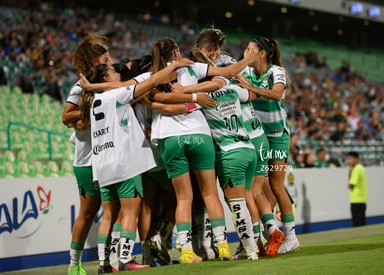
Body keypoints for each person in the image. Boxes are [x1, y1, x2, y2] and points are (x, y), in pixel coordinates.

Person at [148, 37, 258, 263]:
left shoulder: (152, 75)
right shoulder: (192, 66)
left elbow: (157, 100)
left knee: (183, 198)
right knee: (210, 194)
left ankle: (187, 251)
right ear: (177, 51)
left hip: (169, 138)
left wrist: (171, 102)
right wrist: (247, 60)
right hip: (199, 134)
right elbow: (223, 76)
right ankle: (223, 246)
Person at [79, 58, 194, 272]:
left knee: (109, 216)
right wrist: (171, 67)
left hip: (102, 165)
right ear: (106, 78)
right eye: (113, 72)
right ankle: (124, 260)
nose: (117, 74)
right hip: (123, 164)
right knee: (130, 212)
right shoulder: (117, 94)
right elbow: (148, 84)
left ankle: (106, 263)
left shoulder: (95, 101)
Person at [237, 37, 300, 254]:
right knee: (258, 188)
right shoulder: (247, 72)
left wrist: (248, 87)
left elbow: (276, 94)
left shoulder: (276, 71)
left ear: (261, 53)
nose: (245, 53)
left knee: (276, 185)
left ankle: (291, 237)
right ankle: (268, 232)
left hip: (277, 136)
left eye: (249, 49)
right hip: (258, 137)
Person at [61, 34, 111, 275]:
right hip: (87, 160)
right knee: (88, 212)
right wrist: (85, 115)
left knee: (115, 210)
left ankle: (109, 260)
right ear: (92, 61)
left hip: (108, 157)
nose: (109, 63)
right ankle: (74, 264)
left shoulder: (108, 83)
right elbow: (65, 116)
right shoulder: (80, 87)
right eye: (105, 59)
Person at [346, 151, 367, 227]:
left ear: (356, 159)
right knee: (362, 223)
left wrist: (350, 174)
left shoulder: (356, 169)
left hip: (356, 200)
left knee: (357, 224)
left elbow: (350, 185)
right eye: (348, 159)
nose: (348, 161)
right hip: (361, 200)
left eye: (350, 159)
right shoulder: (361, 168)